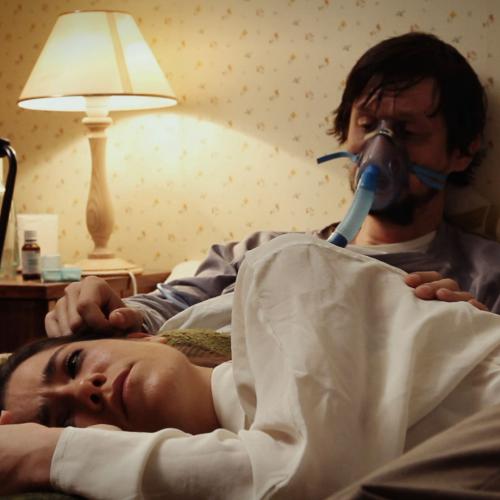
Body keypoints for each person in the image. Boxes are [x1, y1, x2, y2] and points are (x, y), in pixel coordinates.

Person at [45, 31, 500, 340]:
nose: (381, 149)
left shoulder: (483, 278)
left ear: (462, 151)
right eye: (367, 125)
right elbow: (162, 309)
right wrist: (105, 306)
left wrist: (480, 336)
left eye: (408, 131)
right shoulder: (259, 254)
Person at [2, 233, 500, 499]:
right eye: (64, 420)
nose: (84, 391)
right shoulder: (236, 442)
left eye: (73, 362)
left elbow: (298, 480)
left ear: (142, 336)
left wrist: (48, 452)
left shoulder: (284, 265)